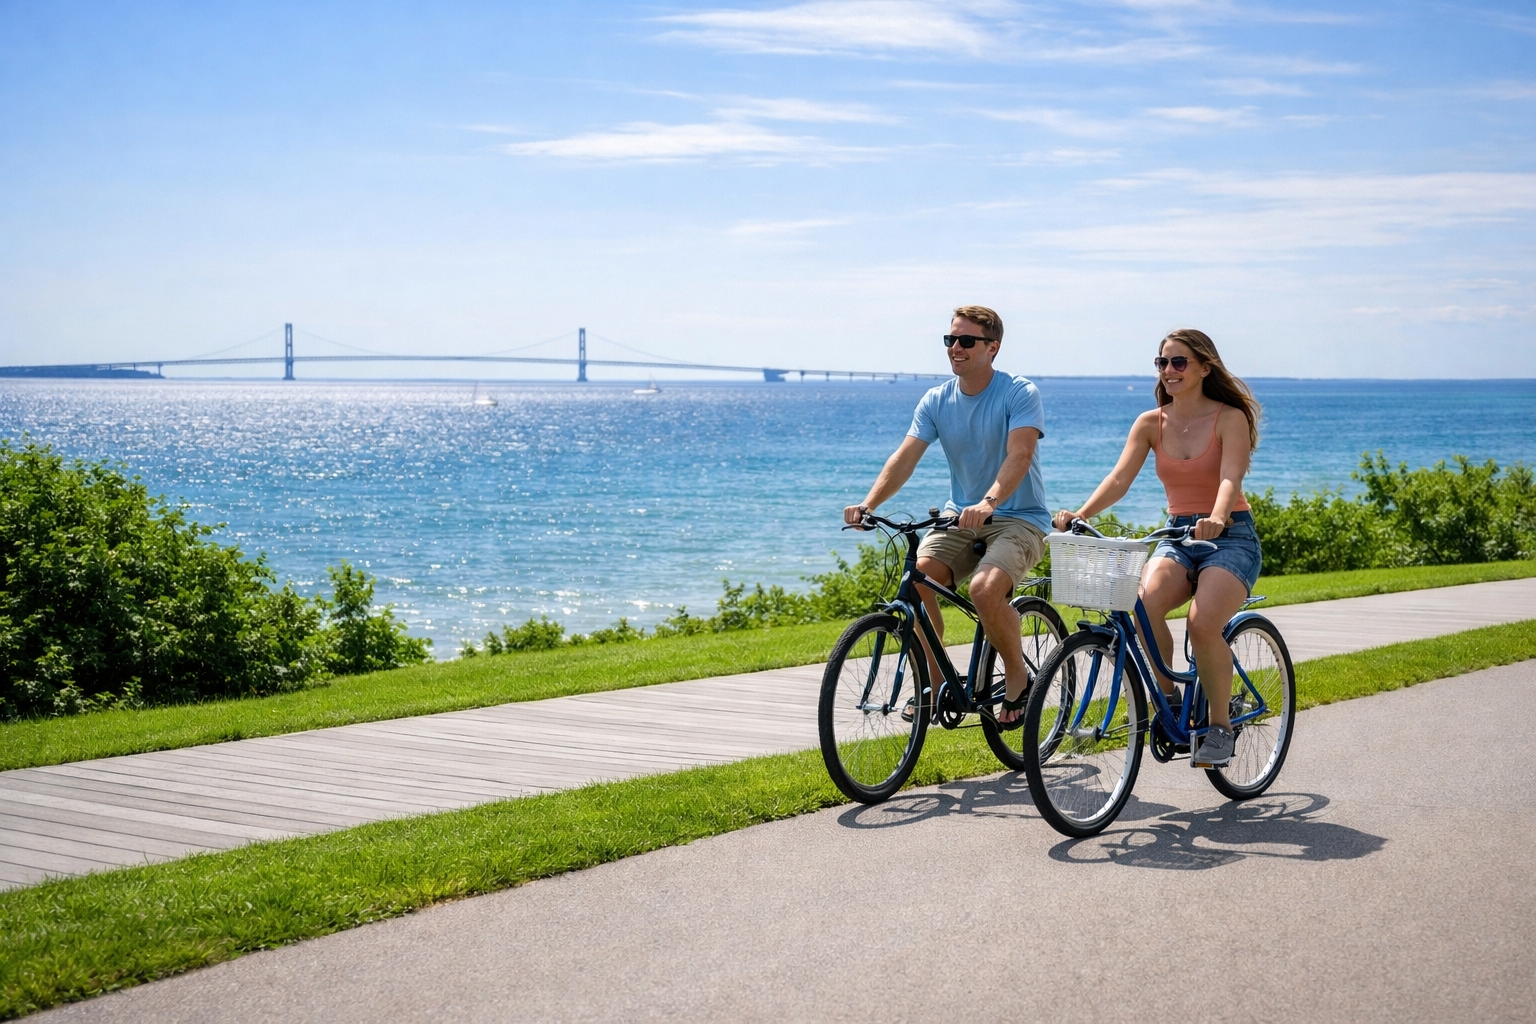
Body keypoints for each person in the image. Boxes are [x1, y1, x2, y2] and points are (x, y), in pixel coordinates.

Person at [1052, 328, 1262, 766]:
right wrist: (1082, 514)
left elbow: (1230, 478)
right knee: (1141, 606)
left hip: (1231, 536)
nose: (1169, 371)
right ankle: (1169, 706)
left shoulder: (1229, 417)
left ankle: (1221, 727)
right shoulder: (1151, 422)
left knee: (1202, 624)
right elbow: (1119, 479)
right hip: (1176, 534)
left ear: (1205, 368)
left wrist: (1219, 517)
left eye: (1179, 362)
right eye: (1162, 363)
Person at [843, 305, 1051, 728]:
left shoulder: (1018, 393)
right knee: (918, 582)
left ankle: (1018, 676)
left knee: (985, 589)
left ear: (992, 348)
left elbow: (1020, 453)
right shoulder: (937, 400)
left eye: (966, 341)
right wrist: (869, 505)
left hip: (1020, 517)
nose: (955, 347)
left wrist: (990, 500)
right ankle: (936, 686)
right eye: (950, 339)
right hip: (961, 518)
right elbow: (904, 458)